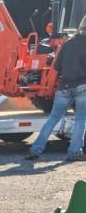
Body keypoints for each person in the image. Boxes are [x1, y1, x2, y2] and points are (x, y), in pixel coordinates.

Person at [26, 16, 86, 162]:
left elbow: (57, 66)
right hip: (82, 87)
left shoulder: (68, 43)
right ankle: (73, 153)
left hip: (63, 87)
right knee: (80, 120)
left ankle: (35, 150)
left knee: (52, 119)